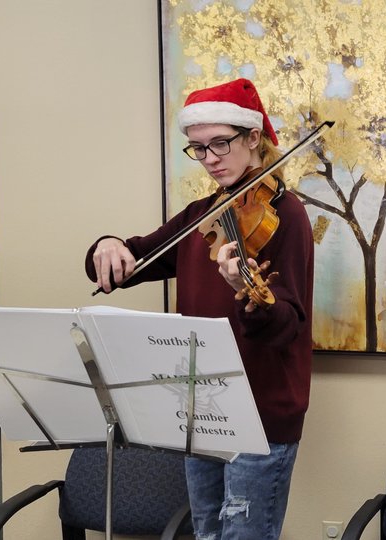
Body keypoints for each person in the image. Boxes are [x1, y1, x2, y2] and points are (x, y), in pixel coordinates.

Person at [85, 78, 313, 539]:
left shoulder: (286, 216)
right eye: (198, 148)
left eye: (220, 144)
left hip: (259, 414)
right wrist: (107, 245)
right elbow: (132, 259)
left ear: (253, 138)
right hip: (201, 409)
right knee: (207, 532)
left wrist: (248, 293)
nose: (210, 159)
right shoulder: (200, 216)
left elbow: (287, 325)